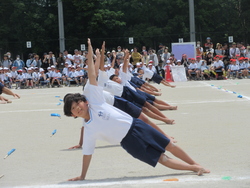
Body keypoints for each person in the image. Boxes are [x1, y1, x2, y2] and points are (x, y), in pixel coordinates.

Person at [64, 39, 210, 181]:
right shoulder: (88, 128)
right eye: (73, 109)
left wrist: (90, 52)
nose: (77, 108)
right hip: (129, 142)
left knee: (169, 145)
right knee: (162, 159)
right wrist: (82, 176)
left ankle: (196, 164)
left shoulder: (95, 101)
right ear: (72, 115)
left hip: (136, 125)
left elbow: (92, 72)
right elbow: (87, 154)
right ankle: (194, 169)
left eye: (78, 104)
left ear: (84, 101)